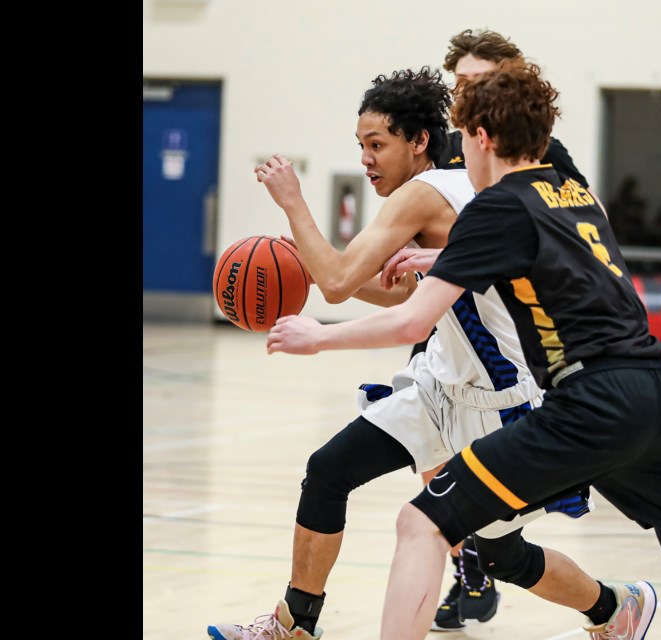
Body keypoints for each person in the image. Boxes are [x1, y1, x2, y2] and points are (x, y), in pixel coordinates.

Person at [265, 63, 661, 640]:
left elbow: (409, 320)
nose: (458, 150)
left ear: (483, 138)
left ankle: (606, 607)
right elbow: (547, 264)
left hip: (588, 401)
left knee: (421, 525)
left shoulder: (495, 206)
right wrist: (445, 264)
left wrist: (318, 335)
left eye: (463, 137)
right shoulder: (571, 189)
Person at [206, 67, 551, 640]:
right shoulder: (447, 189)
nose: (366, 159)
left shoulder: (427, 193)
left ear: (419, 141)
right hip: (443, 386)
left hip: (497, 399)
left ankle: (612, 607)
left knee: (500, 555)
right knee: (329, 470)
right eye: (360, 146)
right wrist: (311, 265)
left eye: (377, 144)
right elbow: (395, 288)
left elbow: (342, 282)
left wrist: (294, 204)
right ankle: (295, 625)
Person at [409, 27, 597, 631]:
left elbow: (565, 241)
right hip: (448, 312)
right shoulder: (444, 149)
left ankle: (492, 557)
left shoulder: (544, 153)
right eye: (457, 82)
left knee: (489, 486)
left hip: (513, 329)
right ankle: (470, 564)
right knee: (433, 454)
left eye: (476, 81)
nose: (463, 92)